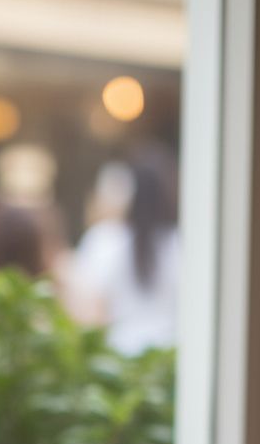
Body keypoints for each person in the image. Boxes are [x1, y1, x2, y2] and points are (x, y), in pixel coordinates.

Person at [71, 146, 179, 355]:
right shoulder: (181, 245)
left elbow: (89, 315)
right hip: (171, 363)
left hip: (116, 367)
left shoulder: (104, 240)